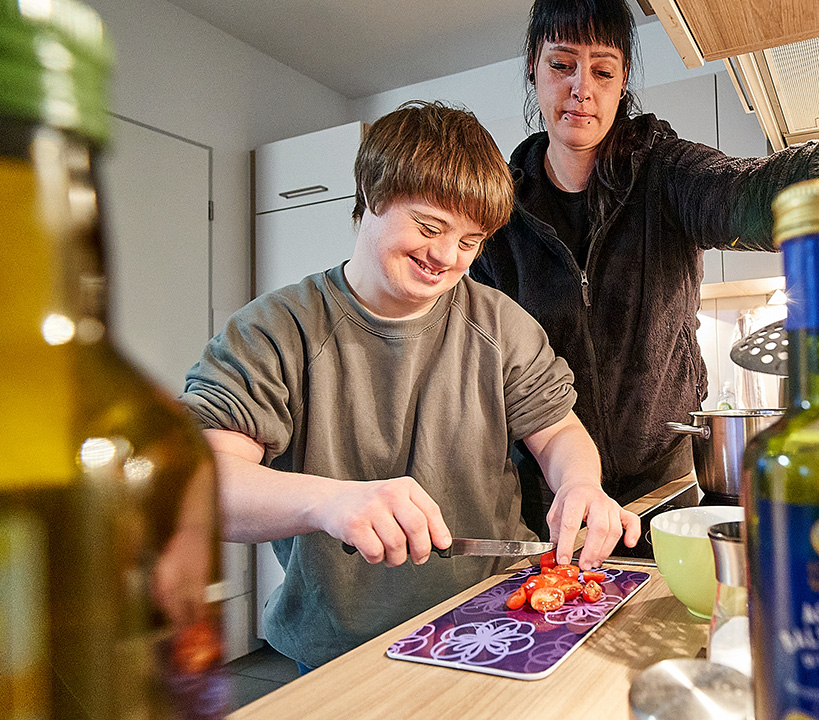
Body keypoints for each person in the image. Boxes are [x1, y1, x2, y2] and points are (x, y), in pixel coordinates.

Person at [471, 0, 819, 515]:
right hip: (549, 498)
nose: (580, 89)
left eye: (604, 71)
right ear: (532, 67)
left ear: (622, 83)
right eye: (562, 64)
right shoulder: (500, 214)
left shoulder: (663, 171)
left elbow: (747, 195)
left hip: (665, 488)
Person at [179, 100, 639, 671]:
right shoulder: (276, 330)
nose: (446, 257)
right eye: (429, 227)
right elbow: (203, 486)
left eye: (470, 242)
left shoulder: (501, 324)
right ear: (373, 192)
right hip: (342, 651)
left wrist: (581, 484)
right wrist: (329, 501)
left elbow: (559, 431)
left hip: (497, 621)